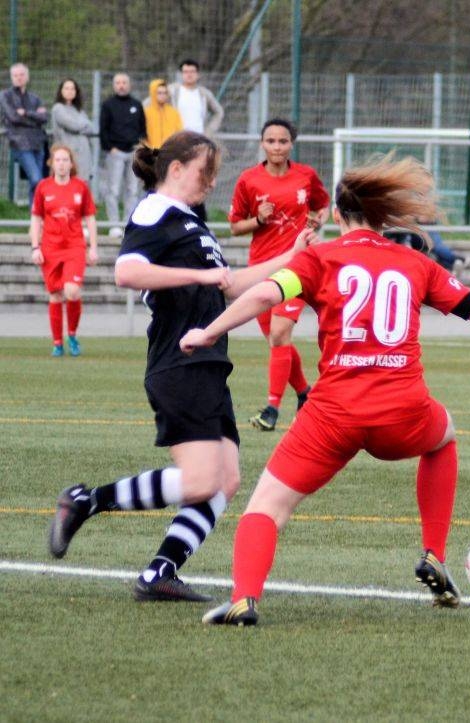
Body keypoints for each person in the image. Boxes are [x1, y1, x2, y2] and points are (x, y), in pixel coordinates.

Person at [180, 155, 470, 626]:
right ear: (383, 218)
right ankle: (433, 553)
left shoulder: (319, 257)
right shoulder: (415, 263)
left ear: (338, 215)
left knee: (267, 507)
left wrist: (208, 332)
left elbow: (262, 294)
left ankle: (244, 599)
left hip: (332, 416)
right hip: (403, 413)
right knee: (444, 437)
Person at [47, 131, 316, 602]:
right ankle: (86, 501)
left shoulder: (192, 222)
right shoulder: (156, 209)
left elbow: (230, 286)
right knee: (201, 480)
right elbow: (126, 271)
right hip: (179, 360)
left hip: (208, 363)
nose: (211, 182)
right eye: (204, 172)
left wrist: (290, 259)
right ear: (175, 169)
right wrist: (198, 274)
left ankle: (160, 572)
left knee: (225, 481)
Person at [229, 118, 330, 431]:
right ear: (262, 143)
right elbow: (235, 226)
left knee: (279, 334)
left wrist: (318, 221)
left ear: (291, 144)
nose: (276, 147)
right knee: (278, 341)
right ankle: (305, 394)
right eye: (271, 141)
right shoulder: (248, 180)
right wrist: (258, 220)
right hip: (261, 268)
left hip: (297, 267)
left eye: (283, 141)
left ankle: (271, 410)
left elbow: (323, 206)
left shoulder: (305, 175)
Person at [29, 144, 98, 356]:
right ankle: (57, 343)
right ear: (51, 163)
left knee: (72, 290)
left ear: (71, 163)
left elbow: (90, 218)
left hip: (74, 246)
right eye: (57, 160)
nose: (61, 164)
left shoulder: (80, 187)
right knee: (55, 295)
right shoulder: (43, 187)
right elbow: (36, 219)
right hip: (50, 248)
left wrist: (93, 247)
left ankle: (72, 335)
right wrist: (35, 247)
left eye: (65, 160)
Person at [99, 72, 146, 237]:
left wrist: (140, 147)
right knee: (113, 190)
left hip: (133, 153)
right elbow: (103, 129)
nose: (121, 85)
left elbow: (143, 128)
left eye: (124, 82)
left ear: (129, 85)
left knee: (132, 190)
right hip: (115, 153)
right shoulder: (108, 105)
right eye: (118, 83)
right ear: (114, 85)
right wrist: (110, 148)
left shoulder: (136, 104)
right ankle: (114, 225)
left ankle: (128, 224)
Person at [1, 63, 48, 205]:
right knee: (36, 179)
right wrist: (35, 118)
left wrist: (26, 113)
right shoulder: (5, 96)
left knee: (38, 182)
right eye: (15, 75)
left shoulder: (34, 97)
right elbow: (14, 118)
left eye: (21, 74)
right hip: (20, 143)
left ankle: (35, 214)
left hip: (38, 143)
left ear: (27, 77)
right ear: (11, 78)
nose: (19, 78)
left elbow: (44, 118)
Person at [50, 77, 96, 184]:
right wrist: (83, 125)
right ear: (61, 91)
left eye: (72, 88)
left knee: (83, 185)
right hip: (67, 155)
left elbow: (91, 128)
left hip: (83, 155)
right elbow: (73, 125)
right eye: (66, 88)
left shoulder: (79, 110)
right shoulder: (58, 108)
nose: (70, 91)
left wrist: (81, 126)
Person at [168, 59, 224, 137]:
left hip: (198, 138)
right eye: (186, 72)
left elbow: (219, 112)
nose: (189, 75)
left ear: (198, 74)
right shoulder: (172, 91)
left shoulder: (204, 94)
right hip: (178, 138)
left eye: (192, 72)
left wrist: (208, 132)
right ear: (181, 74)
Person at [143, 79, 183, 149]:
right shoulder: (146, 113)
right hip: (152, 152)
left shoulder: (173, 112)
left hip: (170, 152)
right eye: (159, 93)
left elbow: (179, 133)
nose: (163, 95)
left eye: (165, 93)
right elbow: (142, 136)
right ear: (153, 93)